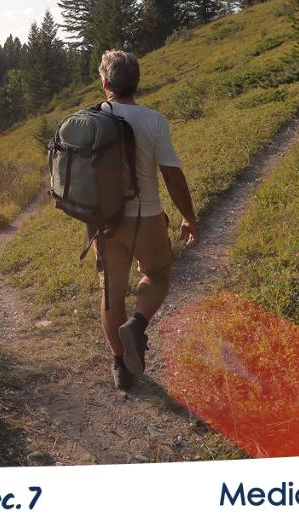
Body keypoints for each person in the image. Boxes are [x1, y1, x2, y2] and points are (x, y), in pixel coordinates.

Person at [94, 50, 198, 391]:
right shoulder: (154, 120)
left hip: (105, 223)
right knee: (158, 274)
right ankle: (137, 325)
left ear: (106, 83)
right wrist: (188, 217)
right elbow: (173, 175)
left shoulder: (92, 118)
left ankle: (121, 366)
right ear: (136, 82)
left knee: (111, 293)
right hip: (148, 217)